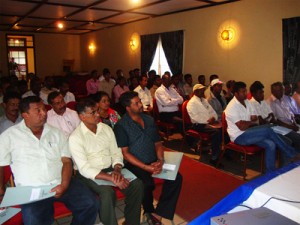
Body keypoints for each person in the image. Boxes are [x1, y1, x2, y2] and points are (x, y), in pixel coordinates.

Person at [0, 96, 99, 225]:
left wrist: (64, 184)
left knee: (90, 203)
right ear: (25, 115)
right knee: (33, 220)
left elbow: (67, 161)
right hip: (32, 190)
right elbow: (1, 164)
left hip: (60, 181)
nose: (44, 113)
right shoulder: (9, 136)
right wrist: (1, 189)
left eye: (43, 109)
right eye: (38, 110)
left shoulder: (56, 133)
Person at [69, 98, 143, 225]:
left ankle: (132, 222)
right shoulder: (75, 137)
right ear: (82, 117)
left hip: (111, 169)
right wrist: (112, 179)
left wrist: (117, 170)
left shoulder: (105, 128)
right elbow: (85, 168)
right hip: (90, 174)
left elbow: (116, 153)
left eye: (97, 110)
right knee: (107, 193)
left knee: (137, 184)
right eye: (93, 112)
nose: (98, 114)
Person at [114, 91, 182, 225]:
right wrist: (147, 167)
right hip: (135, 164)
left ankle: (160, 212)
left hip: (153, 160)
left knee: (176, 178)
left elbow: (157, 143)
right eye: (137, 103)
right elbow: (125, 153)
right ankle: (149, 210)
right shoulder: (121, 126)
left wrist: (160, 161)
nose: (141, 104)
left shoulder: (149, 119)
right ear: (128, 107)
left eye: (140, 101)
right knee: (147, 184)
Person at [225, 82, 300, 172]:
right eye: (243, 92)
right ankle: (291, 153)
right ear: (236, 94)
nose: (246, 93)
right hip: (239, 136)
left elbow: (256, 119)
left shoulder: (247, 102)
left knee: (271, 144)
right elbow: (242, 127)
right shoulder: (231, 107)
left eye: (246, 91)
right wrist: (252, 121)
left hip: (251, 131)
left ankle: (270, 172)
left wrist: (250, 122)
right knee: (268, 129)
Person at [187, 84, 222, 166]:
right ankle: (214, 157)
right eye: (201, 90)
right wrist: (208, 121)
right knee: (216, 132)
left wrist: (214, 118)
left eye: (203, 90)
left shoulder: (204, 100)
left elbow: (213, 112)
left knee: (224, 129)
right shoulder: (191, 103)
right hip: (198, 124)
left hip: (208, 122)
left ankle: (221, 151)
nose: (203, 92)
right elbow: (195, 118)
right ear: (195, 92)